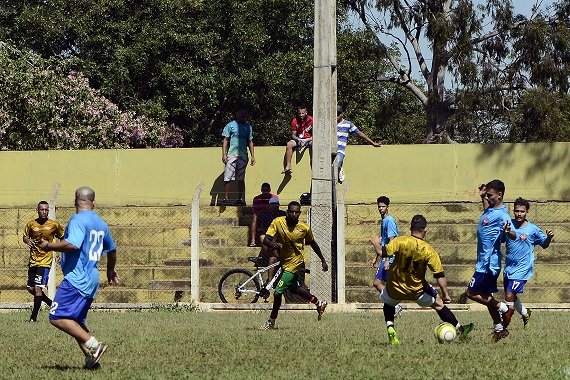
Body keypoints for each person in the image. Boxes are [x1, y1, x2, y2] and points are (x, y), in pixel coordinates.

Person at [38, 187, 119, 369]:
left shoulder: (77, 219)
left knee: (57, 316)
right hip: (92, 278)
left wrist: (50, 246)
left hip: (77, 279)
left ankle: (95, 346)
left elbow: (73, 245)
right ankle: (91, 360)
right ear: (93, 202)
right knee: (74, 322)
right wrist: (110, 271)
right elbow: (112, 250)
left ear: (75, 201)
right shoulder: (100, 223)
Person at [377, 215, 474, 345]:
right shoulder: (429, 250)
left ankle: (390, 327)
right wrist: (445, 294)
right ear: (425, 231)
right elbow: (439, 275)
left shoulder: (400, 241)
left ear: (410, 228)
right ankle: (460, 329)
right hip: (416, 291)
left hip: (395, 288)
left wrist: (375, 243)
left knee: (388, 303)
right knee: (439, 304)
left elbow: (383, 252)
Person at [259, 201, 329, 330]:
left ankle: (271, 321)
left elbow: (313, 243)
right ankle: (319, 303)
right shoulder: (278, 222)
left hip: (296, 262)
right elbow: (266, 238)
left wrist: (323, 260)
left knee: (277, 292)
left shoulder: (304, 228)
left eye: (296, 212)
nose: (294, 214)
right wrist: (272, 245)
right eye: (291, 211)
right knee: (294, 288)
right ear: (287, 212)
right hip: (284, 261)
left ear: (299, 213)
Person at [465, 180, 515, 342]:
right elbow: (487, 217)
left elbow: (513, 234)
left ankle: (504, 307)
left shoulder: (503, 215)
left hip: (487, 264)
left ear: (499, 195)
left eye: (490, 195)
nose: (487, 197)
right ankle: (499, 328)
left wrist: (509, 233)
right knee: (487, 296)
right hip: (484, 261)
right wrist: (482, 198)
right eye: (486, 194)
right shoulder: (492, 210)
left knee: (470, 293)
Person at [501, 197, 554, 330]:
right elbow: (502, 239)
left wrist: (548, 238)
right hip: (509, 268)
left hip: (523, 270)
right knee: (512, 296)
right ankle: (526, 313)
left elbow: (544, 245)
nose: (519, 214)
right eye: (517, 211)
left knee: (509, 295)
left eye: (522, 211)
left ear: (527, 212)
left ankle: (502, 325)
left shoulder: (533, 229)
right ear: (513, 211)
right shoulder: (509, 225)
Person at [23, 200, 64, 322]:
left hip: (45, 261)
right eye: (42, 209)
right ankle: (51, 303)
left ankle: (33, 318)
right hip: (33, 260)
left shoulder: (54, 225)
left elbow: (63, 237)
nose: (44, 212)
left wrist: (60, 252)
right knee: (31, 289)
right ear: (37, 210)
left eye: (46, 209)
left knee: (37, 288)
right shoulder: (31, 224)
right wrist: (27, 241)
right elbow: (25, 236)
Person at [336, 105, 381, 183]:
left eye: (338, 114)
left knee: (337, 162)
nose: (336, 117)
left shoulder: (348, 124)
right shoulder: (329, 124)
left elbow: (359, 133)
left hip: (340, 150)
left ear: (342, 114)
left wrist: (372, 143)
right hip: (329, 149)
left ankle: (339, 168)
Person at [221, 107, 255, 206]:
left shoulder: (248, 127)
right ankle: (226, 198)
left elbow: (250, 141)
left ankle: (239, 199)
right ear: (237, 114)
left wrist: (253, 156)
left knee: (241, 178)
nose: (243, 116)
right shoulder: (230, 125)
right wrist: (224, 154)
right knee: (228, 177)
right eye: (241, 113)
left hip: (243, 155)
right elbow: (225, 140)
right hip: (231, 155)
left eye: (245, 114)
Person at [370, 196, 398, 293]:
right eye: (379, 206)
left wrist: (387, 260)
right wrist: (376, 257)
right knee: (390, 284)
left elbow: (392, 241)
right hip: (386, 256)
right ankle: (393, 305)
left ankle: (394, 304)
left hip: (390, 258)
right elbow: (383, 242)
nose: (381, 208)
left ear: (387, 207)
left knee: (377, 283)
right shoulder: (384, 221)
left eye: (383, 206)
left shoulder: (389, 221)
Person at [283, 105, 313, 173]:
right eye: (299, 113)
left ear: (306, 113)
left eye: (302, 113)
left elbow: (316, 135)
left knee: (314, 144)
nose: (301, 115)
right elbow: (293, 135)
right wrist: (299, 140)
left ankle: (314, 164)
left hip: (309, 140)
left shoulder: (311, 120)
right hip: (299, 139)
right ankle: (288, 166)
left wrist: (307, 140)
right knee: (289, 144)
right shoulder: (294, 121)